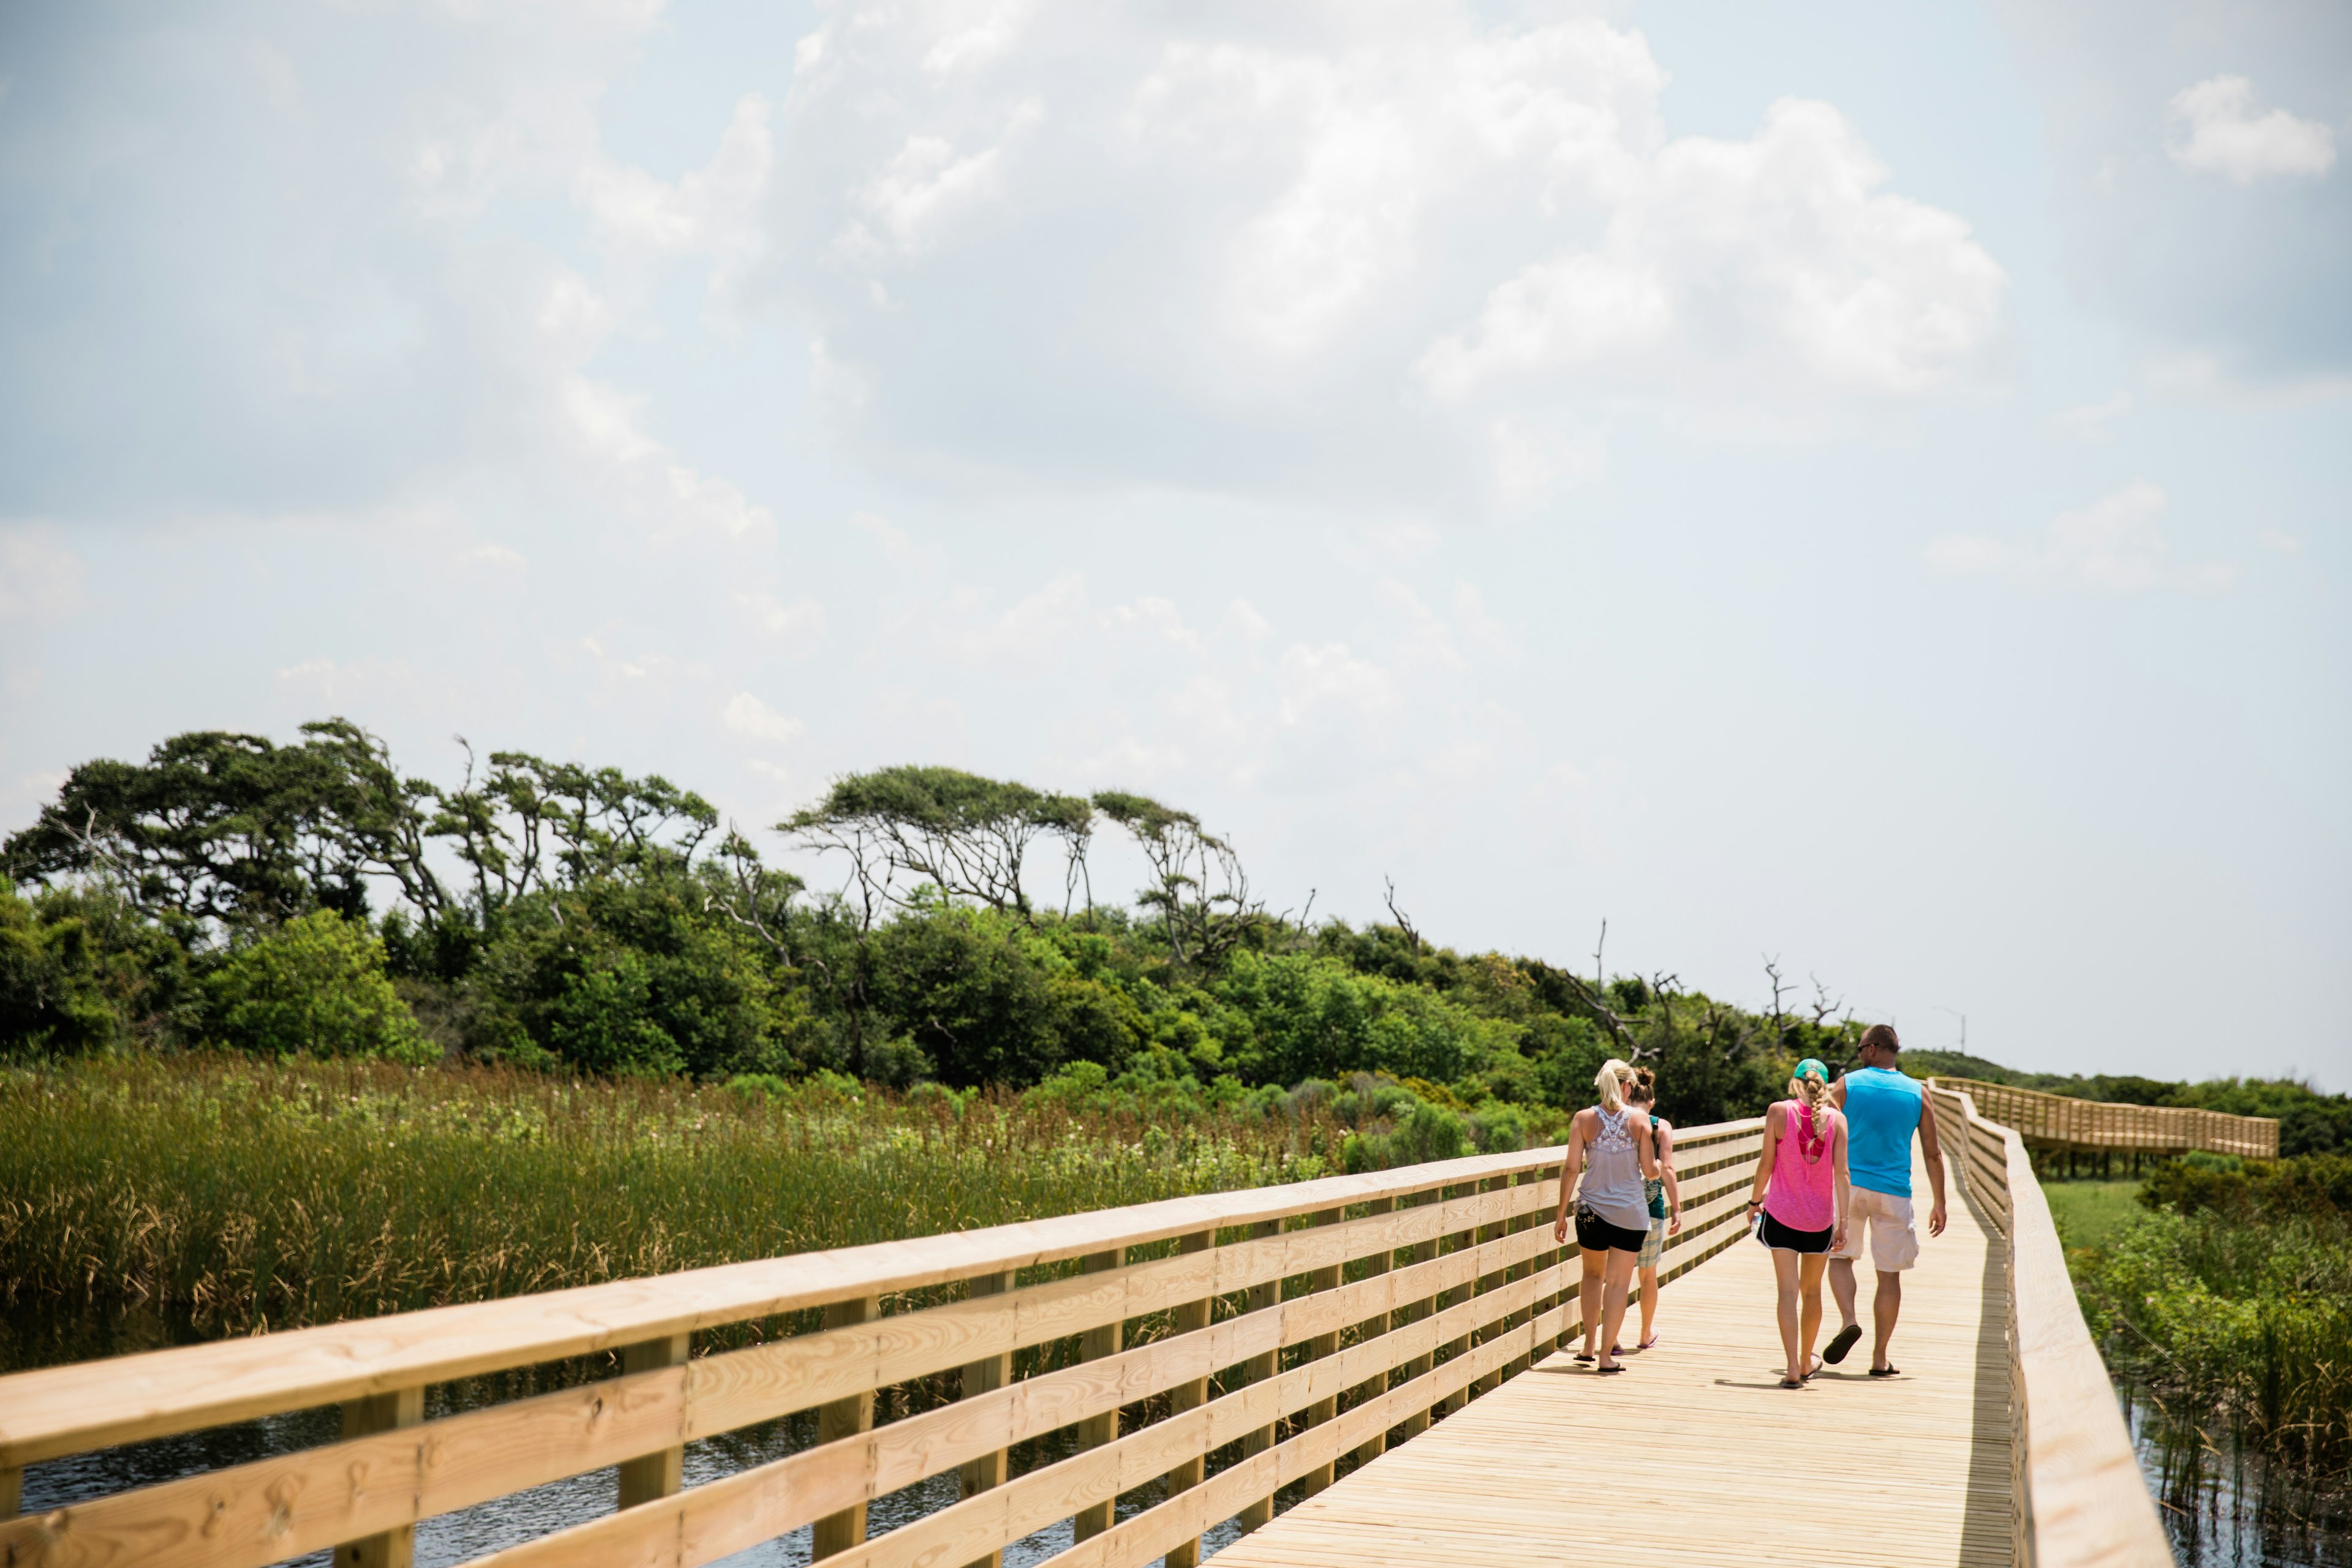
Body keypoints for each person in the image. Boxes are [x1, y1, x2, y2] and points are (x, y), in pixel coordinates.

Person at [1822, 1023, 1948, 1376]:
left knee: (1841, 1257)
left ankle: (1849, 1320)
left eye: (1861, 1048)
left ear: (1874, 1049)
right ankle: (1879, 1358)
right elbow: (1933, 1153)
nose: (1859, 1054)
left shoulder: (1847, 1084)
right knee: (1889, 1275)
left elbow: (1822, 1130)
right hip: (1894, 1192)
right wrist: (1939, 1202)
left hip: (1849, 1186)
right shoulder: (1918, 1092)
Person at [1744, 1059, 1850, 1388]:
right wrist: (1843, 1222)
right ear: (1826, 1086)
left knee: (1787, 1292)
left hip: (1781, 1215)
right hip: (1819, 1220)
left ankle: (1791, 1366)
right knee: (1813, 1292)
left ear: (1796, 1083)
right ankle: (1807, 1361)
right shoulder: (1837, 1120)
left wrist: (1754, 1201)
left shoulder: (1778, 1111)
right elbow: (1842, 1174)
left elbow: (1766, 1164)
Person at [1551, 1058, 1660, 1374]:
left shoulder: (1583, 1119)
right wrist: (1657, 1171)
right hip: (1629, 1214)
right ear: (1628, 1086)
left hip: (1591, 1213)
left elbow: (1572, 1168)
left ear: (1602, 1083)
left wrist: (1560, 1215)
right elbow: (1650, 1169)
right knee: (1617, 1284)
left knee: (1592, 1276)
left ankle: (1587, 1345)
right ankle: (1605, 1357)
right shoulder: (1640, 1121)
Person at [1624, 1068, 1683, 1351]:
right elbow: (1667, 1168)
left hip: (1618, 1208)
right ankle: (1645, 1334)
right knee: (1647, 1275)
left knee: (1617, 1276)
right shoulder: (1661, 1125)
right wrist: (1677, 1208)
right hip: (1651, 1209)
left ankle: (1610, 1339)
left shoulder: (1619, 1119)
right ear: (1651, 1102)